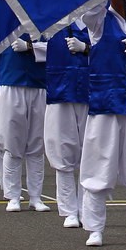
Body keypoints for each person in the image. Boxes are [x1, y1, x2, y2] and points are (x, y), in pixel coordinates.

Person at [79, 0, 126, 248]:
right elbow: (90, 6)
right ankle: (95, 227)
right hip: (106, 103)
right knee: (99, 165)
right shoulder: (100, 21)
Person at [0, 34, 50, 213]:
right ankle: (13, 195)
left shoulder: (44, 19)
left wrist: (32, 47)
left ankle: (35, 196)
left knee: (36, 144)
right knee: (12, 143)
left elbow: (58, 49)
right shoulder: (6, 20)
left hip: (40, 84)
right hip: (11, 82)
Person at [44, 23, 91, 228]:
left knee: (89, 152)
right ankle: (69, 209)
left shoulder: (98, 16)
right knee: (61, 148)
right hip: (60, 88)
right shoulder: (53, 20)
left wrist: (86, 48)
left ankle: (86, 207)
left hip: (91, 90)